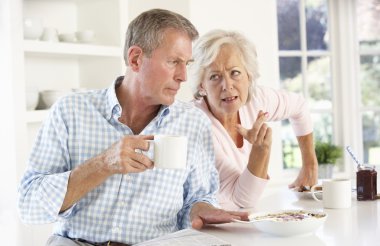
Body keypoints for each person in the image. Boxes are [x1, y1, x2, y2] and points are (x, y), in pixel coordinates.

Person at [18, 10, 248, 246]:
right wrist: (103, 164)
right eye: (173, 62)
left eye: (186, 64)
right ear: (136, 58)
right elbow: (29, 205)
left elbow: (198, 198)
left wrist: (200, 210)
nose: (183, 76)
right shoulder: (70, 111)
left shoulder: (193, 122)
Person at [189, 29, 318, 210]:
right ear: (202, 86)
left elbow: (300, 107)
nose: (227, 85)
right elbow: (242, 200)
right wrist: (260, 152)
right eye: (214, 77)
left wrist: (309, 165)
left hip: (243, 221)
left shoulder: (257, 100)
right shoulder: (195, 124)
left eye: (235, 73)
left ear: (248, 76)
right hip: (208, 227)